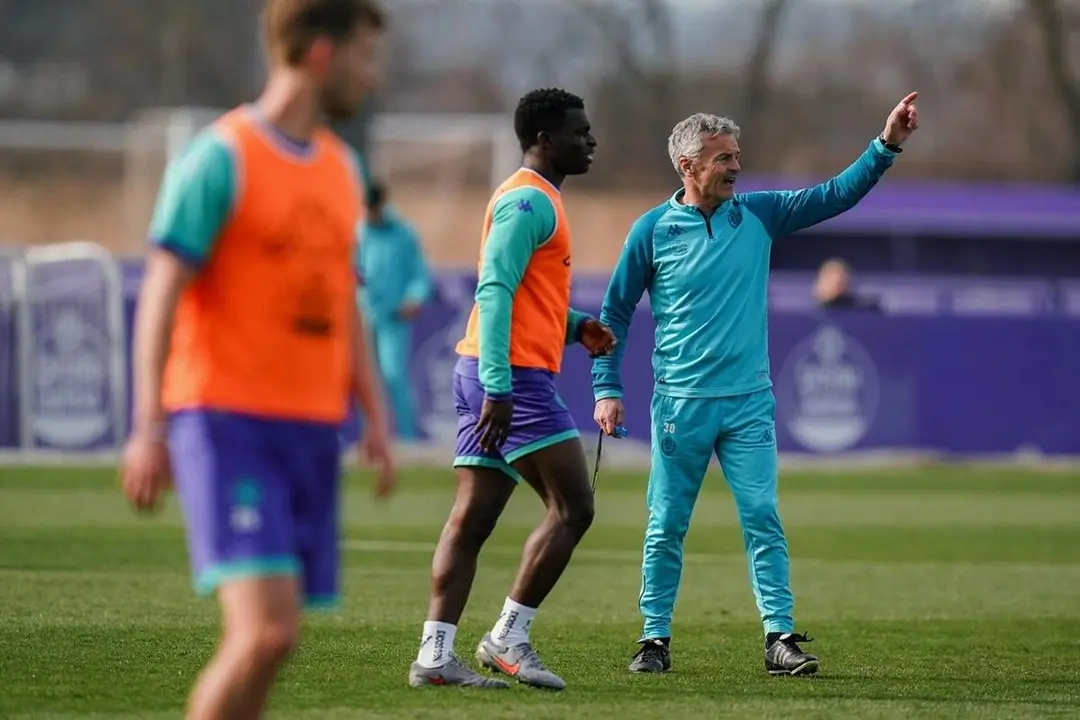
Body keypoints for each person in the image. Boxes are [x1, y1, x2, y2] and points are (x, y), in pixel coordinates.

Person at [119, 2, 396, 718]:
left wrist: (375, 413)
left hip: (309, 428)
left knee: (279, 640)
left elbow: (344, 306)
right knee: (265, 629)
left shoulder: (341, 168)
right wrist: (149, 425)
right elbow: (160, 293)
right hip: (225, 420)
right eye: (366, 56)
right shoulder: (222, 157)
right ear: (322, 55)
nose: (375, 74)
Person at [592, 93, 920, 677]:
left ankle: (779, 636)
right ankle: (654, 639)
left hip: (747, 404)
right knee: (665, 524)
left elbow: (834, 195)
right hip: (681, 405)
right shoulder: (651, 231)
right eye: (723, 159)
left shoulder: (760, 214)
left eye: (737, 156)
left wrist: (887, 143)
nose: (736, 167)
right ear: (687, 167)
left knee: (763, 517)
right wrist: (606, 388)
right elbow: (613, 314)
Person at [407, 88, 616, 691]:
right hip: (510, 379)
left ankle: (435, 656)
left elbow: (526, 294)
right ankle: (507, 638)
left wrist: (576, 327)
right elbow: (494, 290)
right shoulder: (530, 202)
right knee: (573, 508)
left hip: (488, 371)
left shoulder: (532, 198)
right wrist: (500, 387)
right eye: (581, 132)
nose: (591, 141)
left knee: (471, 520)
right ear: (546, 140)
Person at [356, 180, 432, 440]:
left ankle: (406, 438)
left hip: (394, 317)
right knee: (363, 379)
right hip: (364, 315)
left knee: (393, 375)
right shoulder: (359, 232)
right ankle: (368, 437)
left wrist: (414, 297)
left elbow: (419, 274)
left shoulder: (403, 233)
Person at [813, 258, 882, 312]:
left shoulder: (861, 308)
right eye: (828, 278)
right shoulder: (814, 313)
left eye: (839, 280)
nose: (834, 283)